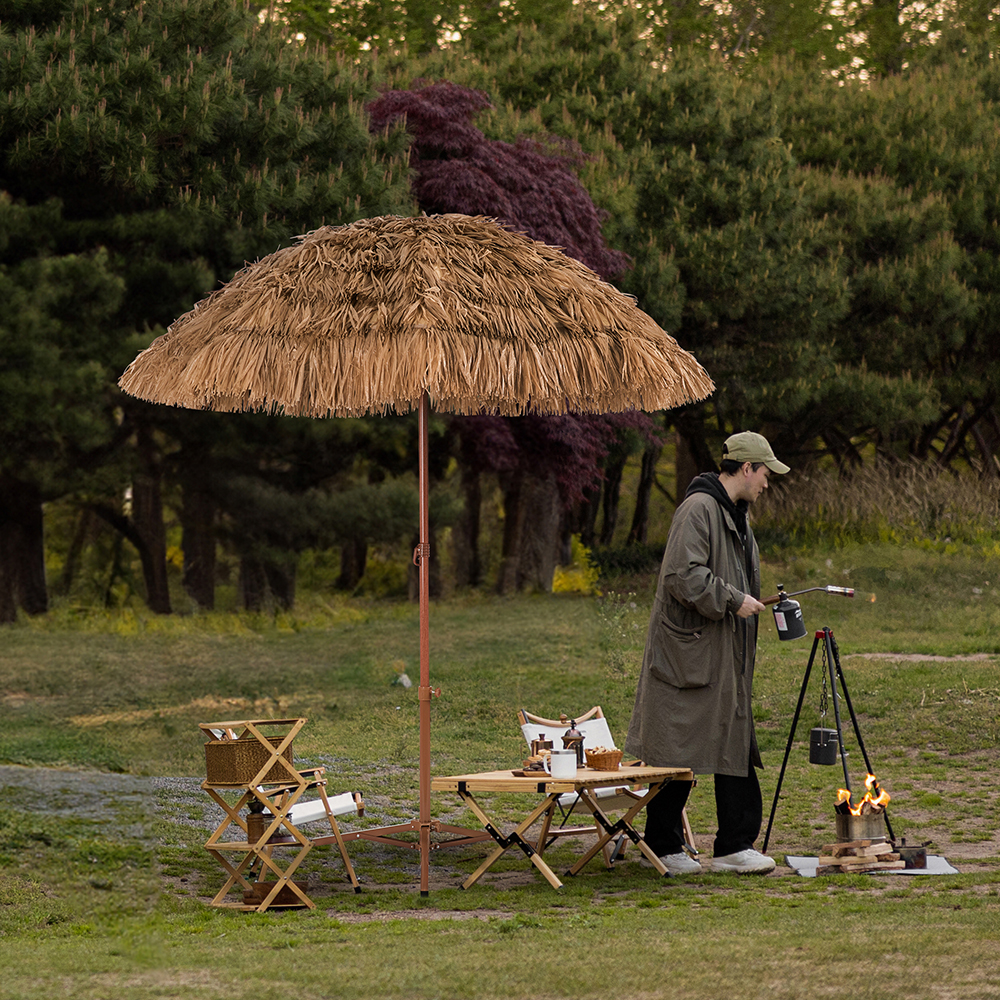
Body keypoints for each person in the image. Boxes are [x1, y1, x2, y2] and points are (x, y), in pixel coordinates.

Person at [624, 431, 789, 875]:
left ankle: (734, 845)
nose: (768, 483)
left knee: (734, 740)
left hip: (724, 651)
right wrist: (733, 600)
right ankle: (664, 846)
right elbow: (682, 575)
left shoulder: (737, 515)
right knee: (676, 748)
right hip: (688, 656)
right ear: (747, 468)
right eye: (765, 473)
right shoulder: (698, 509)